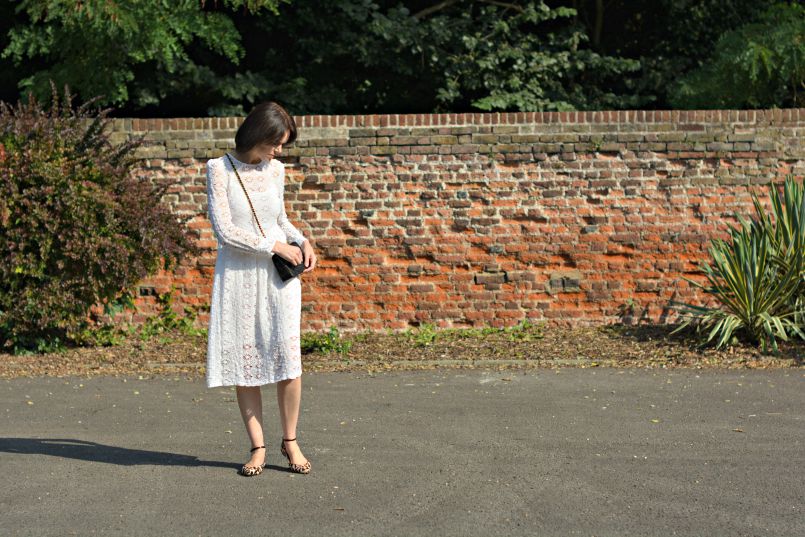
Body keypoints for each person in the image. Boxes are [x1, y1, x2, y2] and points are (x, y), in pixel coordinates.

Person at [204, 101, 317, 477]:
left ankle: (290, 440)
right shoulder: (218, 169)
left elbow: (280, 218)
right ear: (257, 135)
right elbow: (225, 231)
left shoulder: (277, 170)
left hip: (276, 278)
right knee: (245, 363)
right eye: (276, 142)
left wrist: (302, 242)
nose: (279, 151)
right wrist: (274, 245)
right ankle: (258, 447)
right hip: (238, 275)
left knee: (288, 358)